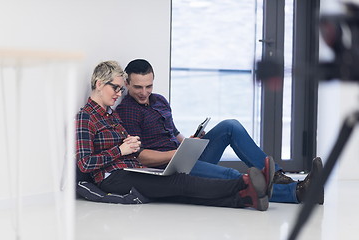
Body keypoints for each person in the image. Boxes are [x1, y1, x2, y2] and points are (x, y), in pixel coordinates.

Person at [116, 59, 324, 204]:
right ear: (127, 83)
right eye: (138, 88)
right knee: (231, 174)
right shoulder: (127, 110)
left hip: (184, 155)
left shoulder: (159, 100)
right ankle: (297, 192)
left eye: (149, 86)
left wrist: (190, 142)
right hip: (169, 167)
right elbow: (140, 156)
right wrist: (177, 154)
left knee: (230, 126)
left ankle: (278, 176)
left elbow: (173, 132)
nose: (144, 93)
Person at [75, 60, 275, 211]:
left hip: (133, 169)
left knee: (179, 192)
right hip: (112, 177)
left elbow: (129, 147)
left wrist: (131, 143)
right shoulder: (86, 116)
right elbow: (84, 163)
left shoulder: (111, 115)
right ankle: (246, 184)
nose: (119, 93)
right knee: (179, 182)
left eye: (120, 88)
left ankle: (247, 198)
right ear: (99, 84)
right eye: (115, 88)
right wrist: (120, 149)